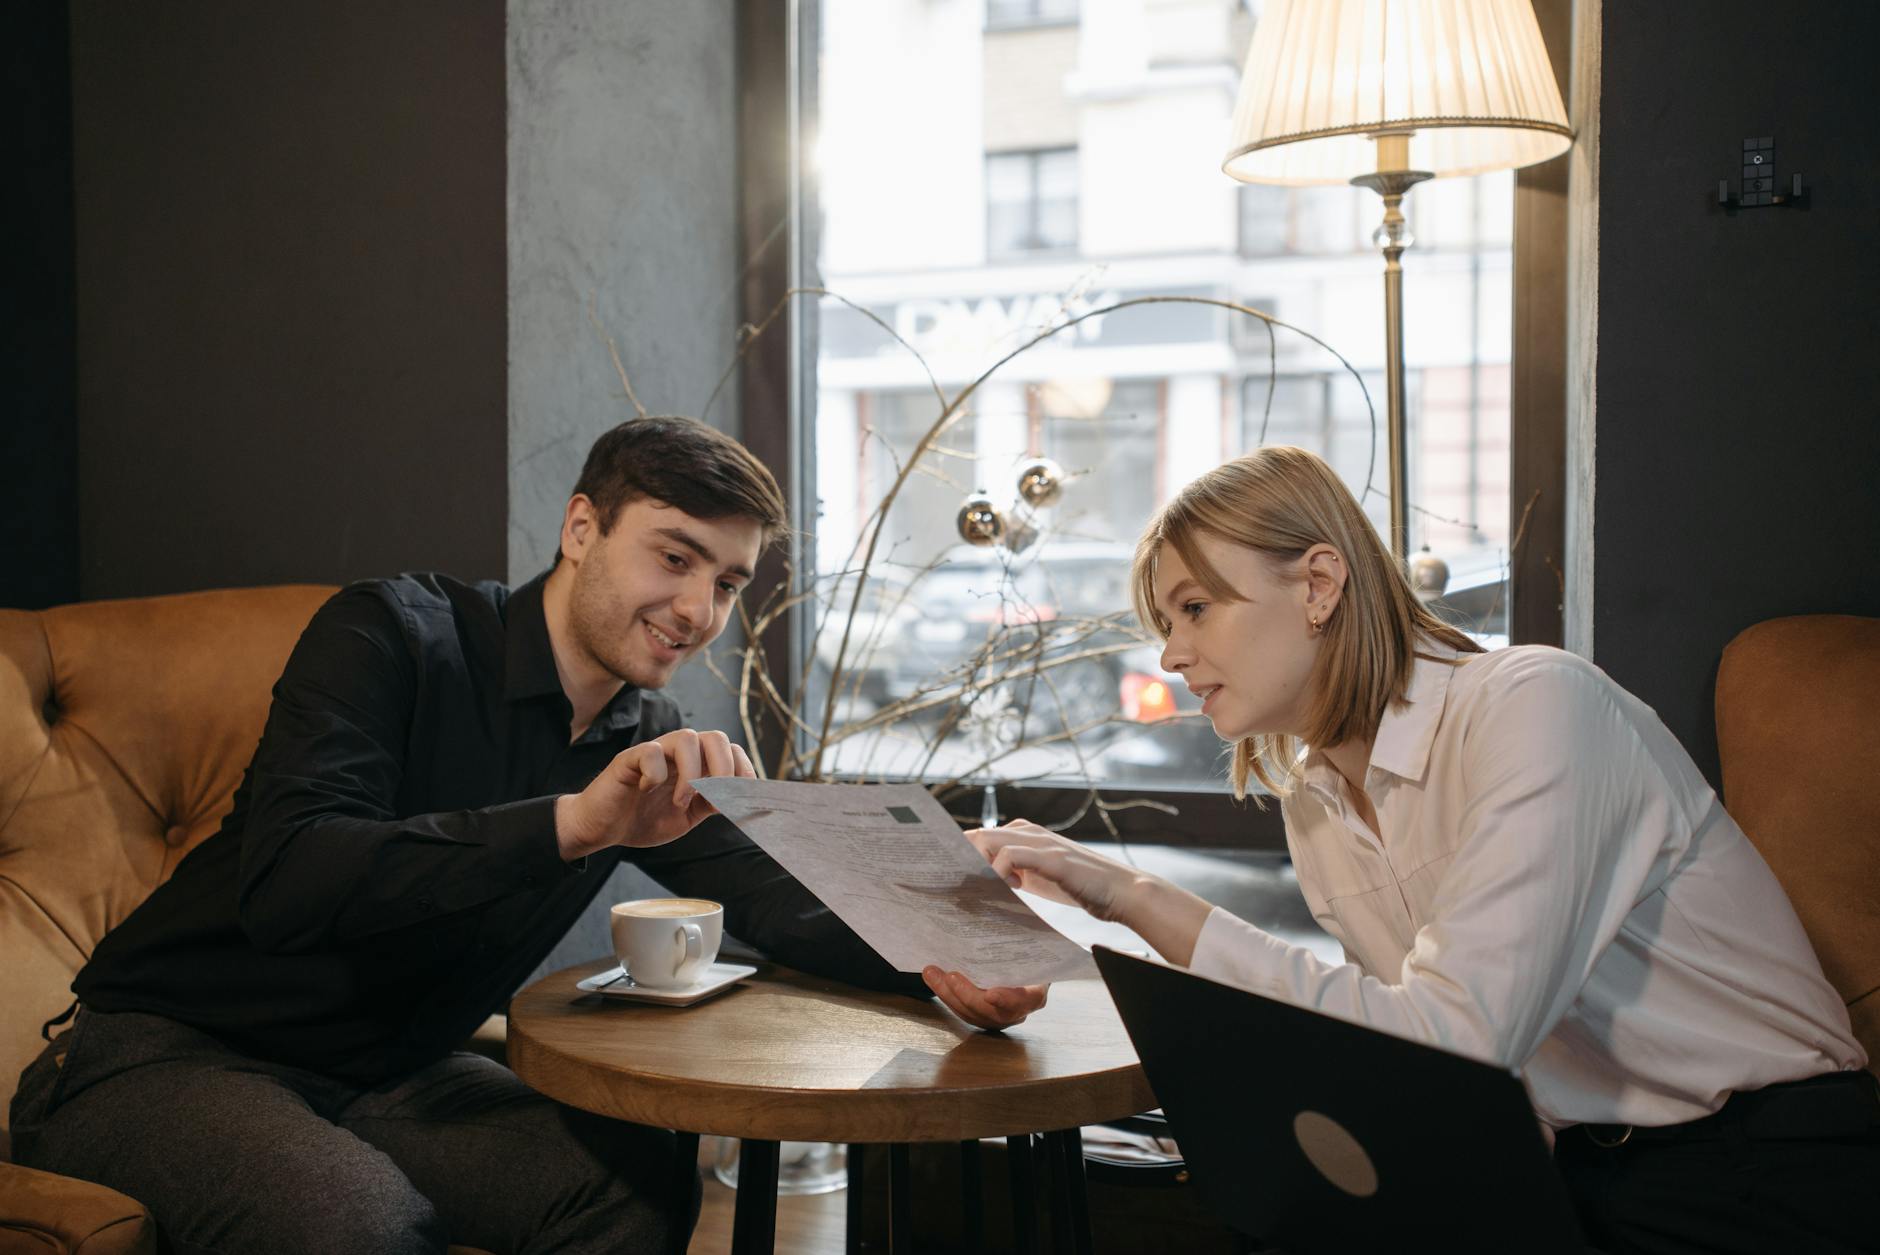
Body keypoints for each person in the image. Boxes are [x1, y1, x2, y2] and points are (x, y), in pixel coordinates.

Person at [924, 446, 1879, 1255]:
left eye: (1195, 609)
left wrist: (1133, 893)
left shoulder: (1535, 705)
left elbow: (1454, 1046)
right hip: (1574, 1172)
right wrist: (1071, 930)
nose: (1171, 654)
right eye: (1165, 625)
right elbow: (1387, 1063)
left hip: (1774, 1163)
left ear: (1320, 584)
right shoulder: (1316, 804)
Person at [10, 416, 924, 1255]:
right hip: (160, 1053)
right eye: (675, 558)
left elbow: (780, 893)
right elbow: (293, 879)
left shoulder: (643, 740)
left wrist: (953, 951)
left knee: (631, 1184)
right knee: (354, 1223)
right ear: (581, 529)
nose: (698, 611)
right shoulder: (390, 635)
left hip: (388, 1077)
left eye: (727, 582)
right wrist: (571, 823)